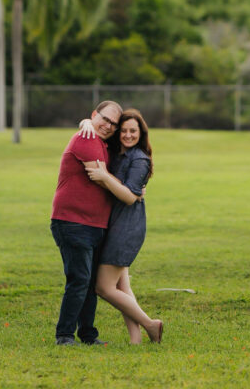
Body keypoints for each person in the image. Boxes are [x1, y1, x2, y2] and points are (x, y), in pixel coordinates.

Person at [82, 108, 163, 344]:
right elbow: (127, 190)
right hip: (112, 223)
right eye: (124, 130)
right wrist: (86, 122)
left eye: (133, 131)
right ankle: (135, 339)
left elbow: (129, 196)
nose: (128, 135)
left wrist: (105, 177)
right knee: (122, 286)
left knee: (104, 287)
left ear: (141, 133)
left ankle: (151, 324)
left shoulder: (139, 159)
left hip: (126, 227)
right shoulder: (116, 152)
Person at [50, 100, 122, 346]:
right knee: (79, 279)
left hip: (96, 224)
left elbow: (107, 174)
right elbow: (100, 178)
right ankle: (64, 335)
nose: (109, 126)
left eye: (114, 123)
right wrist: (129, 191)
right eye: (105, 119)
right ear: (94, 115)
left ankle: (88, 335)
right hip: (72, 221)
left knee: (90, 282)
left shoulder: (101, 141)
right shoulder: (87, 137)